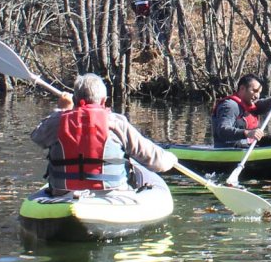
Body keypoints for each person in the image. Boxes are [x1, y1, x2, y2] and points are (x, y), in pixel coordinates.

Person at [30, 73, 179, 196]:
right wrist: (171, 159)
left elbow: (36, 137)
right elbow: (157, 162)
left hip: (63, 192)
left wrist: (63, 111)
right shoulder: (116, 123)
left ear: (75, 100)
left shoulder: (57, 122)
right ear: (104, 101)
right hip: (112, 193)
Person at [211, 73, 268, 147]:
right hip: (230, 148)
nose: (257, 96)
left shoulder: (254, 105)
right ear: (242, 88)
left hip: (248, 145)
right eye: (254, 91)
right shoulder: (230, 105)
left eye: (259, 92)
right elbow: (222, 130)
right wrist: (246, 133)